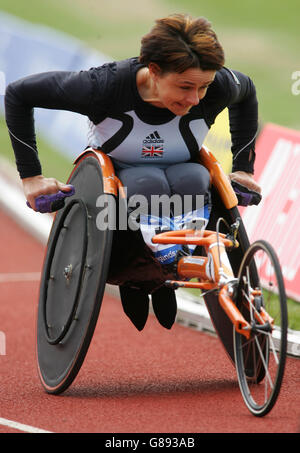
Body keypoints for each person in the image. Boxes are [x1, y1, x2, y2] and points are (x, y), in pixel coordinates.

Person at [4, 13, 261, 330]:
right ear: (153, 71)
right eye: (184, 87)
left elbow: (246, 92)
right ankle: (152, 262)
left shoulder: (218, 86)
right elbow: (18, 94)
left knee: (195, 179)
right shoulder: (104, 86)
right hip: (122, 187)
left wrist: (244, 169)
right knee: (147, 181)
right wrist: (31, 177)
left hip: (184, 176)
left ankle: (178, 252)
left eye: (204, 87)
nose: (194, 99)